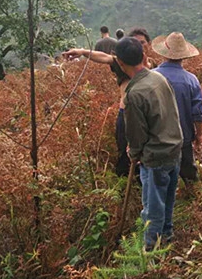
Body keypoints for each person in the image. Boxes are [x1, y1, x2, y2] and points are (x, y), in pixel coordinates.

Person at [115, 37, 183, 250]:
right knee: (168, 202)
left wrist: (133, 153)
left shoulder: (133, 94)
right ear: (144, 57)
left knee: (152, 209)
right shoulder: (159, 78)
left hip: (155, 157)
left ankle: (150, 253)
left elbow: (136, 134)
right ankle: (167, 239)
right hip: (174, 150)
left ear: (119, 63)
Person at [63, 27, 154, 177]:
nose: (139, 46)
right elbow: (105, 57)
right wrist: (83, 52)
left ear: (149, 44)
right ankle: (125, 185)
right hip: (126, 115)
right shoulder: (122, 64)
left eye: (142, 42)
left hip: (148, 116)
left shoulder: (154, 66)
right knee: (125, 152)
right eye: (136, 42)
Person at [152, 32, 202, 186]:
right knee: (188, 171)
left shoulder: (151, 77)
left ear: (164, 53)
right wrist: (199, 135)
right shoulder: (191, 80)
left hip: (157, 137)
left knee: (159, 178)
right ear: (184, 56)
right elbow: (198, 114)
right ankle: (191, 194)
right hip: (184, 136)